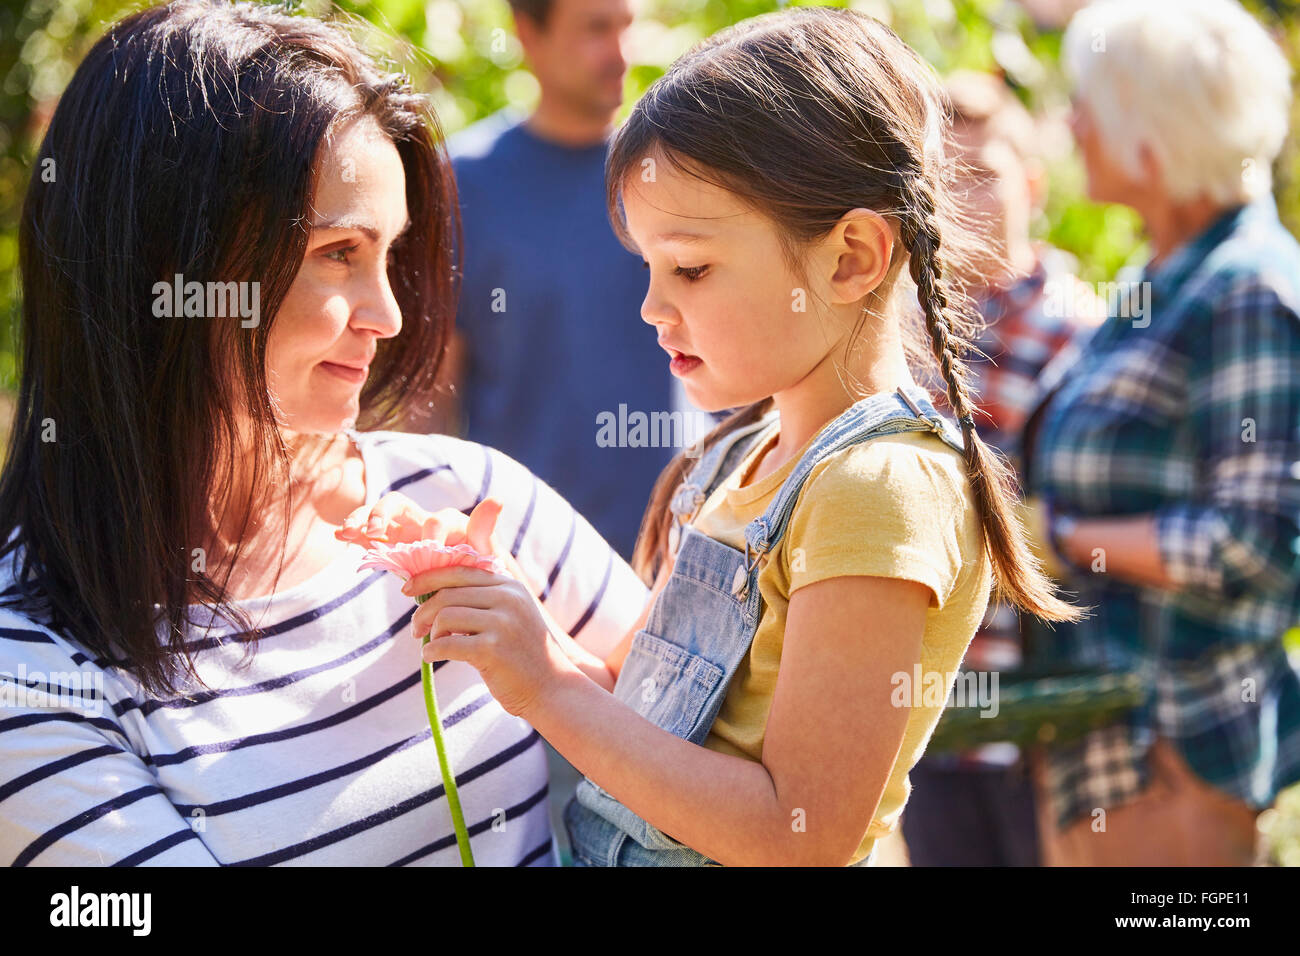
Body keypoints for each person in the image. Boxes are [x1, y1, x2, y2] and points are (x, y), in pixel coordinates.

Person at [354, 6, 1082, 866]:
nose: (653, 308)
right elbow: (659, 722)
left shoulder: (876, 487)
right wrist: (524, 627)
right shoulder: (746, 454)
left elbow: (795, 831)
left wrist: (547, 687)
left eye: (691, 269)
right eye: (651, 269)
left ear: (850, 258)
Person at [0, 0, 648, 866]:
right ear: (166, 265)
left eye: (390, 253)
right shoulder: (30, 661)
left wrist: (564, 682)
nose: (387, 314)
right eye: (338, 251)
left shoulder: (466, 500)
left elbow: (726, 749)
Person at [1021, 0, 1300, 866]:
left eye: (1090, 104)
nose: (1072, 124)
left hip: (1172, 752)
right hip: (1107, 754)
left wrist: (1061, 541)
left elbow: (1257, 544)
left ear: (1153, 132)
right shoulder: (1163, 278)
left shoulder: (1247, 291)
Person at [900, 71, 1104, 867]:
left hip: (1048, 708)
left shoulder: (1083, 334)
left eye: (984, 176)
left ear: (1033, 181)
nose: (965, 204)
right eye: (945, 183)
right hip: (934, 709)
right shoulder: (906, 336)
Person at [443, 0, 691, 562]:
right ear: (529, 33)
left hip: (672, 552)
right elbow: (431, 386)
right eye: (596, 30)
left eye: (627, 27)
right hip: (520, 555)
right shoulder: (463, 185)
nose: (621, 54)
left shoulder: (676, 174)